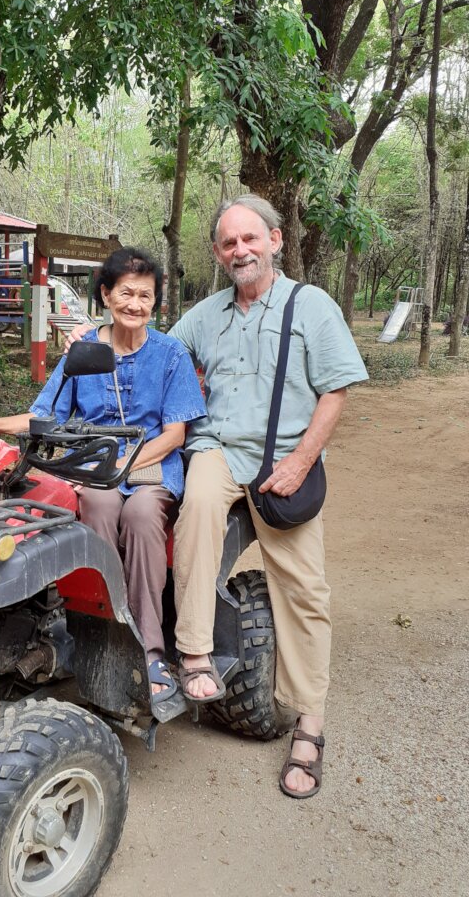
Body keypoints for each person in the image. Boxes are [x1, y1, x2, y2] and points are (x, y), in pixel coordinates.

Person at [167, 194, 368, 799]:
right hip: (219, 450)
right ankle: (194, 653)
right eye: (229, 243)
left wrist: (302, 460)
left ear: (275, 241)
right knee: (197, 506)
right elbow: (160, 356)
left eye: (250, 239)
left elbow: (335, 392)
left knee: (304, 589)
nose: (240, 251)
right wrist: (93, 340)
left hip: (284, 459)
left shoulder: (311, 307)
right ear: (217, 253)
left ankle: (310, 722)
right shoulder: (204, 315)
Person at [0, 246, 206, 703]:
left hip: (149, 467)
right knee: (95, 506)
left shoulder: (170, 354)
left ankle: (150, 648)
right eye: (126, 293)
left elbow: (174, 435)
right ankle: (100, 633)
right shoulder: (83, 351)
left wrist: (122, 464)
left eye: (145, 295)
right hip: (93, 471)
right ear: (105, 294)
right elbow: (45, 415)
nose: (135, 304)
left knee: (140, 516)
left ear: (155, 302)